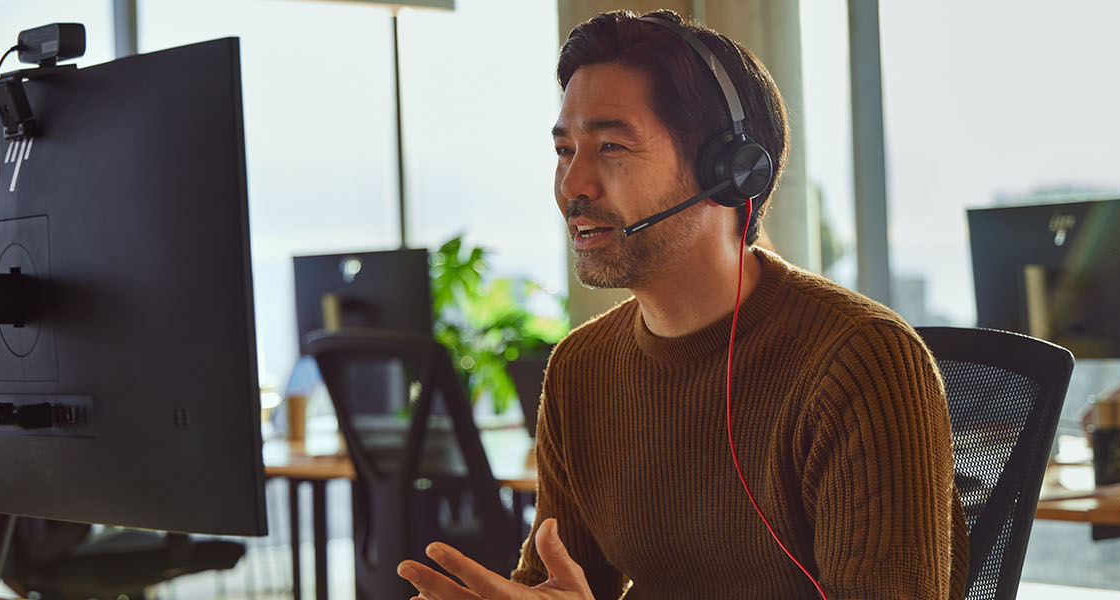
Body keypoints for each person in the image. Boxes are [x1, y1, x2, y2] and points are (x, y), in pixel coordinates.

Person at [397, 9, 967, 599]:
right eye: (565, 151)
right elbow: (560, 585)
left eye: (612, 146)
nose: (574, 185)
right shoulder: (580, 369)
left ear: (728, 172)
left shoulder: (860, 363)